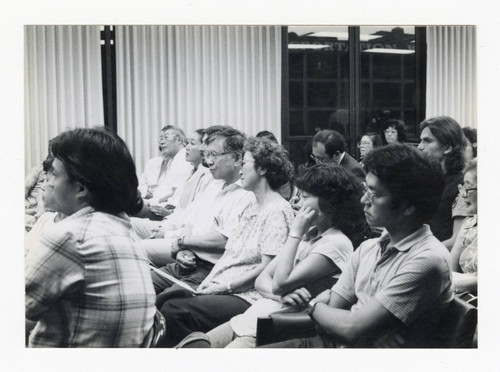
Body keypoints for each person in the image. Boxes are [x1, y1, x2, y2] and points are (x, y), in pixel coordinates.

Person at [259, 144, 453, 348]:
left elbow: (351, 328)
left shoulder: (427, 259)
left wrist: (313, 306)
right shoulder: (369, 247)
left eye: (375, 194)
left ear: (408, 206)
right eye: (366, 190)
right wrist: (349, 322)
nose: (363, 200)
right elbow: (336, 306)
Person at [180, 164, 366, 348]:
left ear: (329, 204)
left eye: (306, 197)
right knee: (192, 346)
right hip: (253, 317)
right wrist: (280, 296)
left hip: (271, 329)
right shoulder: (311, 235)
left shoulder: (336, 243)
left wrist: (295, 234)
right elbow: (262, 280)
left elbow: (280, 282)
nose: (298, 203)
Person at [25, 127, 156, 347]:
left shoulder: (69, 236)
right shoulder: (123, 228)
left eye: (54, 174)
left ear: (81, 188)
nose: (46, 182)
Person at [158, 137, 295, 347]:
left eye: (245, 162)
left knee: (175, 311)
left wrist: (224, 287)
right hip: (225, 286)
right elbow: (229, 256)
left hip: (248, 295)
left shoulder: (277, 210)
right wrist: (209, 284)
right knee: (164, 300)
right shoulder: (251, 206)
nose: (240, 168)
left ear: (263, 169)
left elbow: (267, 269)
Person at [147, 127, 255, 287]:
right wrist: (183, 250)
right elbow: (190, 223)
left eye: (214, 155)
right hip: (186, 260)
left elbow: (224, 241)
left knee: (168, 304)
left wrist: (183, 242)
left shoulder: (247, 194)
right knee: (142, 286)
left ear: (237, 159)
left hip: (210, 269)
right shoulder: (213, 185)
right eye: (207, 155)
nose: (208, 161)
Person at [130, 128, 213, 238]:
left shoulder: (204, 175)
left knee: (129, 220)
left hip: (176, 224)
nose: (187, 147)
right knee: (128, 221)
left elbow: (190, 214)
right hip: (171, 219)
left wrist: (166, 229)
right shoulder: (191, 170)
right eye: (187, 143)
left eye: (191, 143)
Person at [418, 116, 467, 246]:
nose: (419, 147)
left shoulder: (462, 184)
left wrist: (419, 253)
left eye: (427, 141)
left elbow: (457, 239)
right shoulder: (425, 180)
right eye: (421, 140)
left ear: (447, 148)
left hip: (439, 257)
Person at [136, 125, 193, 220]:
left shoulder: (182, 158)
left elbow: (173, 194)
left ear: (179, 140)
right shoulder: (172, 161)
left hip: (171, 210)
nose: (161, 142)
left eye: (166, 137)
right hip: (162, 205)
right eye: (160, 138)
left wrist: (150, 202)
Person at [451, 159, 477, 296]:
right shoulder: (469, 222)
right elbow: (451, 266)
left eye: (468, 187)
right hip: (463, 296)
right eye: (462, 188)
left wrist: (452, 282)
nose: (463, 194)